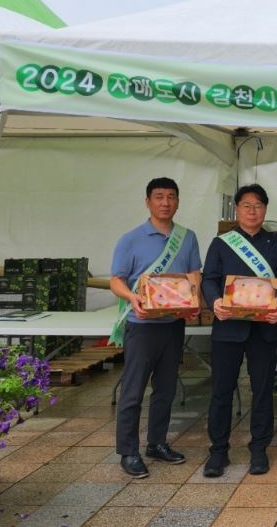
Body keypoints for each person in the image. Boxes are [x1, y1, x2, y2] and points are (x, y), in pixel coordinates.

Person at [109, 177, 202, 479]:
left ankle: (157, 443)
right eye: (159, 196)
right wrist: (132, 297)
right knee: (133, 390)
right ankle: (128, 451)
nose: (165, 202)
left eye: (171, 196)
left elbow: (193, 273)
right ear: (147, 201)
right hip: (142, 325)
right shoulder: (130, 239)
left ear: (178, 201)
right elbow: (116, 280)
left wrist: (195, 299)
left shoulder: (187, 237)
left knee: (166, 388)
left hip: (173, 324)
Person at [201, 184, 277, 478]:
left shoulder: (276, 244)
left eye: (258, 206)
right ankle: (218, 451)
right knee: (221, 391)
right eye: (246, 205)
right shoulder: (221, 243)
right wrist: (215, 302)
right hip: (228, 327)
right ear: (237, 209)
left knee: (262, 390)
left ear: (265, 209)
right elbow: (209, 279)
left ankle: (259, 449)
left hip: (263, 329)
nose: (252, 211)